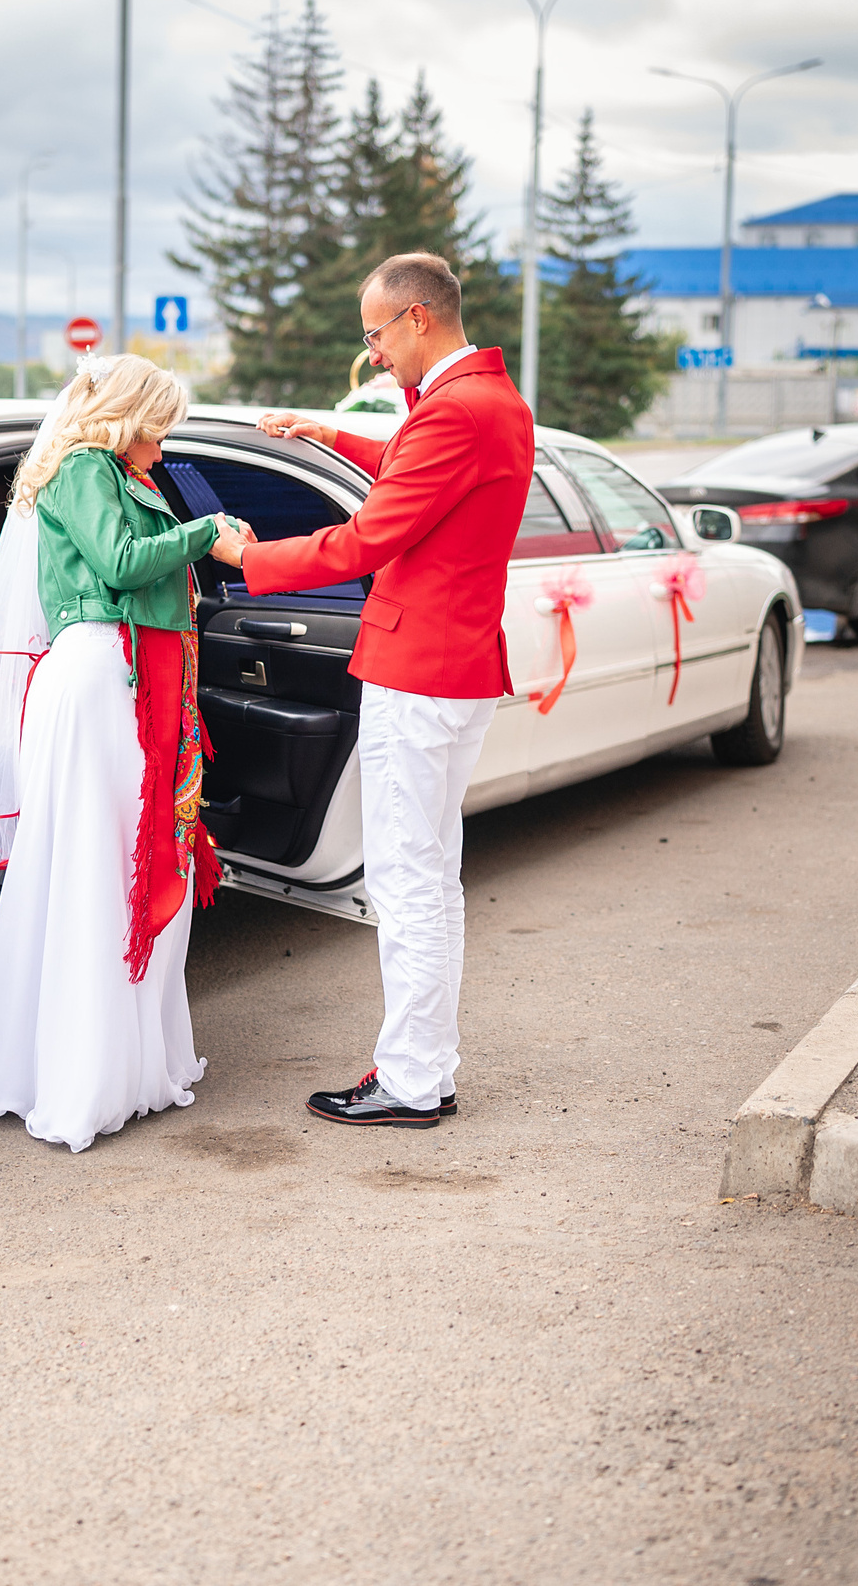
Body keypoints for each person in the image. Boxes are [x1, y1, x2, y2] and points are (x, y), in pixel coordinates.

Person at [237, 252, 535, 1129]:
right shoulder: (491, 402)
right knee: (432, 878)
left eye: (374, 334)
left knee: (406, 883)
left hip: (418, 672)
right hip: (459, 667)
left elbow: (366, 539)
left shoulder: (455, 413)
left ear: (417, 319)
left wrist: (244, 559)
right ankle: (425, 1068)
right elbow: (422, 461)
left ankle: (409, 1080)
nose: (371, 355)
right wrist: (332, 438)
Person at [0, 355, 256, 1153]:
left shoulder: (106, 468)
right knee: (102, 866)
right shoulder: (87, 469)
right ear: (128, 414)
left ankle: (120, 1066)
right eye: (160, 423)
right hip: (100, 677)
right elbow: (122, 564)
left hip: (118, 680)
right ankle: (87, 1076)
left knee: (114, 863)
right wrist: (208, 533)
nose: (164, 443)